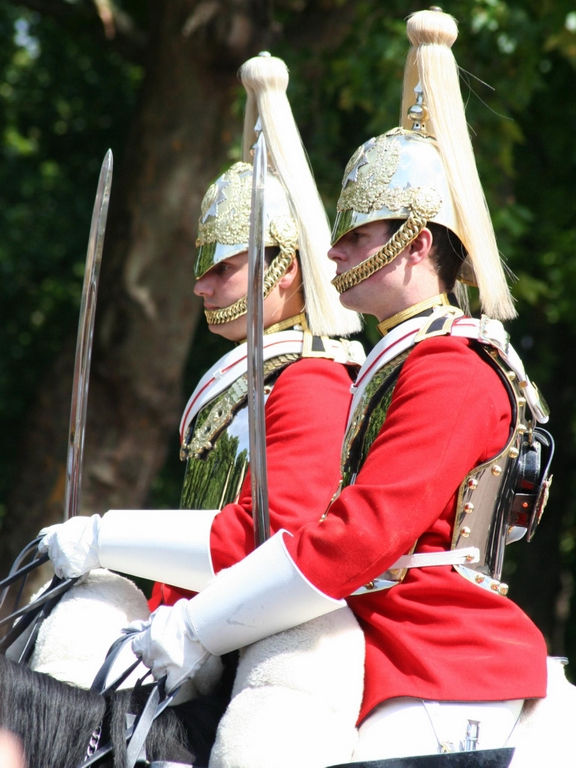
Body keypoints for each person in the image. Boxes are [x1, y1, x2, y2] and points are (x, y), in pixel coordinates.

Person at [102, 9, 553, 762]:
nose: (334, 252)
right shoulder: (408, 363)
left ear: (415, 244)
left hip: (435, 657)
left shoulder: (452, 372)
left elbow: (356, 538)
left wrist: (199, 624)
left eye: (357, 236)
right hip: (374, 643)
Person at [37, 52, 366, 768]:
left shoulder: (311, 380)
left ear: (283, 266)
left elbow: (271, 539)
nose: (201, 286)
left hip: (262, 632)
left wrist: (107, 536)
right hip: (192, 623)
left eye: (222, 266)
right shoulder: (248, 379)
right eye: (201, 267)